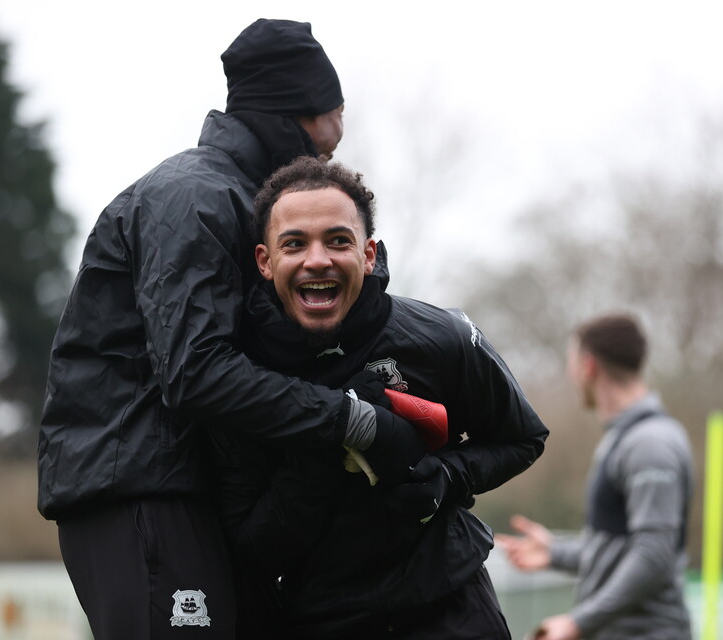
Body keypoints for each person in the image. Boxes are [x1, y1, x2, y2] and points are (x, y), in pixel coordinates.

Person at [37, 20, 427, 640]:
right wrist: (353, 421)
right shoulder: (193, 198)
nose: (328, 163)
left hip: (194, 494)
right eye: (325, 147)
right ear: (300, 112)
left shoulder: (247, 199)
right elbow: (197, 373)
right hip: (142, 490)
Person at [209, 156, 549, 639]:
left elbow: (524, 438)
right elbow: (253, 550)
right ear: (265, 261)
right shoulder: (238, 375)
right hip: (321, 621)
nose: (318, 259)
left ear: (369, 254)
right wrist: (332, 438)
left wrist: (445, 476)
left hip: (452, 606)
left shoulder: (442, 336)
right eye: (295, 243)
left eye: (338, 240)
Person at [496, 313, 694, 640]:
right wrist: (554, 553)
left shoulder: (651, 443)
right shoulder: (623, 438)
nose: (571, 375)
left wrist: (580, 622)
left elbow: (654, 552)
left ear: (588, 367)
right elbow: (621, 548)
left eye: (571, 364)